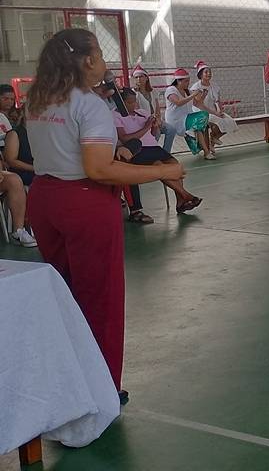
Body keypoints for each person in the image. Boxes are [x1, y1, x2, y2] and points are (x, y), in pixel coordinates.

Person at [26, 28, 184, 403]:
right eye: (98, 53)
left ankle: (69, 378)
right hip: (85, 202)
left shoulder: (40, 99)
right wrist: (165, 170)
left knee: (65, 292)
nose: (103, 62)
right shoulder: (89, 105)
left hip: (45, 200)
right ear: (87, 60)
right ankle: (103, 387)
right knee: (100, 296)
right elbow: (98, 169)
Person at [115, 89, 202, 214]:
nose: (134, 105)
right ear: (121, 103)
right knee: (159, 166)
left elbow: (152, 134)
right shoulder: (116, 116)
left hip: (153, 147)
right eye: (130, 102)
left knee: (175, 166)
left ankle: (180, 201)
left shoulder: (142, 113)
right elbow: (124, 138)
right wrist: (146, 127)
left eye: (135, 102)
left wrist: (155, 127)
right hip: (137, 150)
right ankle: (186, 195)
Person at [190, 61, 237, 158]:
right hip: (200, 112)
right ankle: (208, 146)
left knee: (229, 121)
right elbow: (200, 105)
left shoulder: (214, 85)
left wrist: (220, 110)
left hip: (213, 110)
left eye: (210, 72)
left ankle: (213, 139)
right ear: (200, 74)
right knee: (214, 122)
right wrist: (215, 113)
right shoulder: (196, 87)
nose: (209, 74)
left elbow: (218, 100)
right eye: (206, 72)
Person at [163, 67, 208, 156]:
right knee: (201, 119)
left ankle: (199, 144)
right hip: (176, 120)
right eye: (186, 81)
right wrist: (193, 95)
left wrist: (203, 95)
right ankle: (203, 147)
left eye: (188, 81)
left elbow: (197, 104)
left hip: (187, 118)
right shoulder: (171, 90)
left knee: (203, 118)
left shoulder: (187, 91)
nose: (188, 83)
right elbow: (178, 102)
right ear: (178, 81)